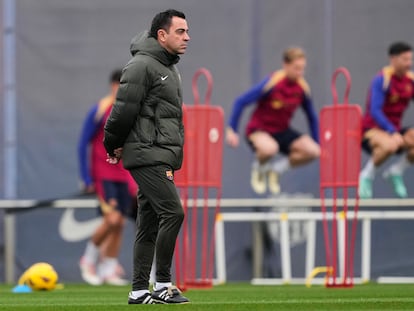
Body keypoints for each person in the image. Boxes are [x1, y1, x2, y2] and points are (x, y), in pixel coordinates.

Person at [103, 9, 190, 304]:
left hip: (160, 154)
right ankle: (163, 284)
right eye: (180, 31)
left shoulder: (169, 67)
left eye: (187, 31)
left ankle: (139, 290)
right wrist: (111, 144)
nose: (187, 37)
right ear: (162, 35)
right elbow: (123, 110)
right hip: (146, 154)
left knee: (150, 223)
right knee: (173, 212)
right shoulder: (141, 65)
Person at [226, 47, 320, 194]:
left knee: (314, 151)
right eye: (296, 68)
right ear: (285, 65)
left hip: (282, 131)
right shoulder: (273, 83)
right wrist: (232, 129)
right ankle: (259, 168)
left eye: (302, 69)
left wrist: (317, 141)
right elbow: (241, 101)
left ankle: (275, 170)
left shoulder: (302, 88)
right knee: (270, 148)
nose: (300, 73)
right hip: (259, 130)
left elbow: (312, 116)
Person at [78, 69, 132, 286]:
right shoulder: (100, 110)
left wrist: (134, 179)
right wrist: (86, 178)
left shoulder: (131, 113)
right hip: (103, 175)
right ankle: (88, 260)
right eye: (121, 85)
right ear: (113, 85)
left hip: (123, 175)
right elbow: (83, 144)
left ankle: (108, 267)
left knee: (119, 223)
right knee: (111, 219)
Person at [359, 41, 414, 198]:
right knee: (390, 145)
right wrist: (391, 131)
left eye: (410, 59)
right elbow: (375, 111)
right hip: (371, 130)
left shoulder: (410, 81)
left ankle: (396, 171)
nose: (408, 64)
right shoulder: (382, 80)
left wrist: (395, 132)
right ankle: (366, 175)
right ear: (393, 59)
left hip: (394, 130)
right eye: (405, 59)